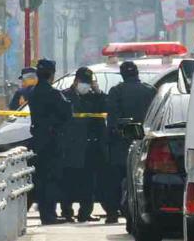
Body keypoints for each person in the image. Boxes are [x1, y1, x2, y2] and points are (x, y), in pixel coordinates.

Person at [104, 61, 156, 223]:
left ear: (122, 74)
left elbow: (112, 121)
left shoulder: (116, 91)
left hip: (121, 145)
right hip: (146, 144)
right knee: (142, 182)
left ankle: (113, 213)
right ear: (137, 73)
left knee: (116, 181)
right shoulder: (151, 91)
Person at [60, 67, 107, 223]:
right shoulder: (65, 96)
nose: (85, 86)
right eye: (83, 82)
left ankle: (85, 212)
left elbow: (106, 108)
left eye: (88, 83)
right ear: (76, 81)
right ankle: (67, 212)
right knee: (68, 181)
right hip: (71, 146)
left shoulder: (95, 97)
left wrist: (98, 92)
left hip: (89, 147)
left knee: (88, 182)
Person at [28, 59, 72, 225]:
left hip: (39, 140)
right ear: (52, 75)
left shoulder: (33, 93)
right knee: (52, 179)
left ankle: (45, 214)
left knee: (41, 179)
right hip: (52, 141)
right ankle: (49, 215)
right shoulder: (53, 94)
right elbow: (67, 112)